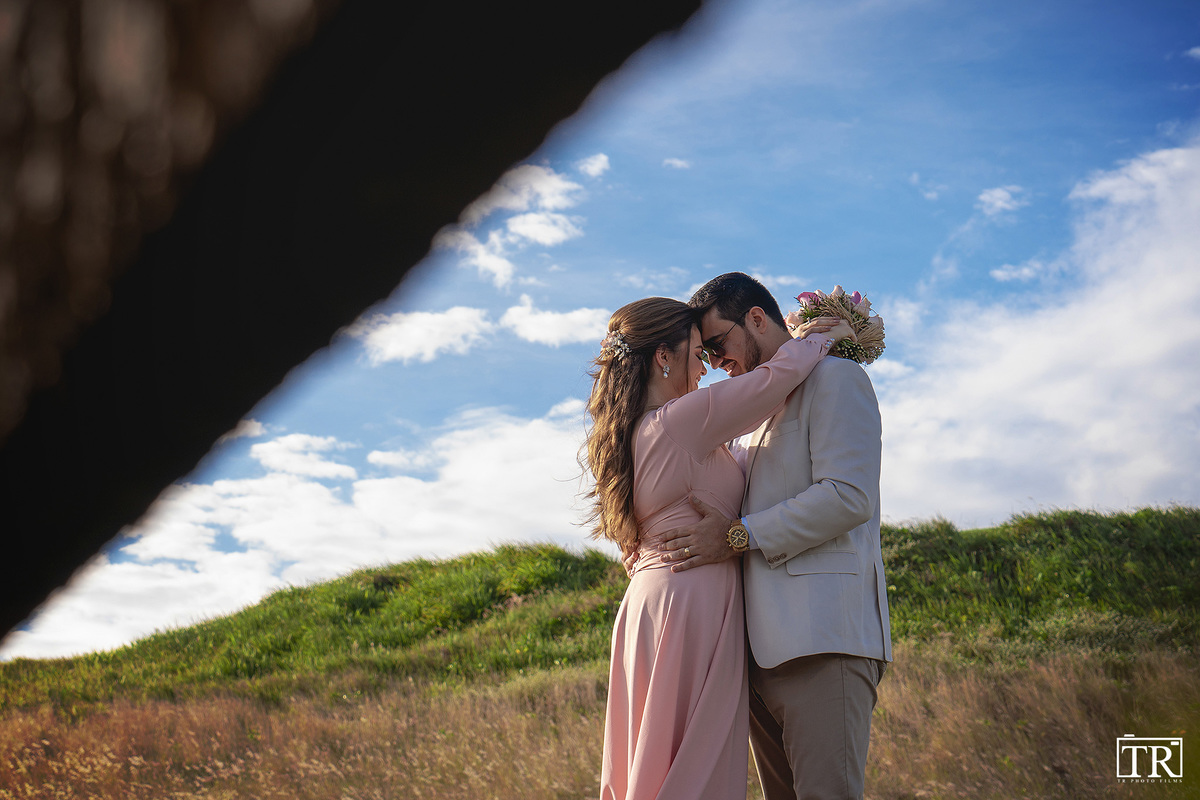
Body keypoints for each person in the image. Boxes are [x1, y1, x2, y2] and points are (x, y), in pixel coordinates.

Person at [583, 296, 836, 800]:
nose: (705, 370)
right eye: (698, 354)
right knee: (692, 767)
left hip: (657, 602)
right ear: (663, 356)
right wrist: (822, 336)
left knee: (659, 761)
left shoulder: (640, 430)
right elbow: (770, 382)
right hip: (689, 603)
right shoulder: (680, 420)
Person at [658, 272, 892, 800]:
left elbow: (847, 496)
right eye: (705, 352)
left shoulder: (837, 380)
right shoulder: (755, 412)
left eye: (718, 344)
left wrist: (739, 536)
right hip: (758, 658)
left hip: (823, 642)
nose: (716, 363)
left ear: (757, 318)